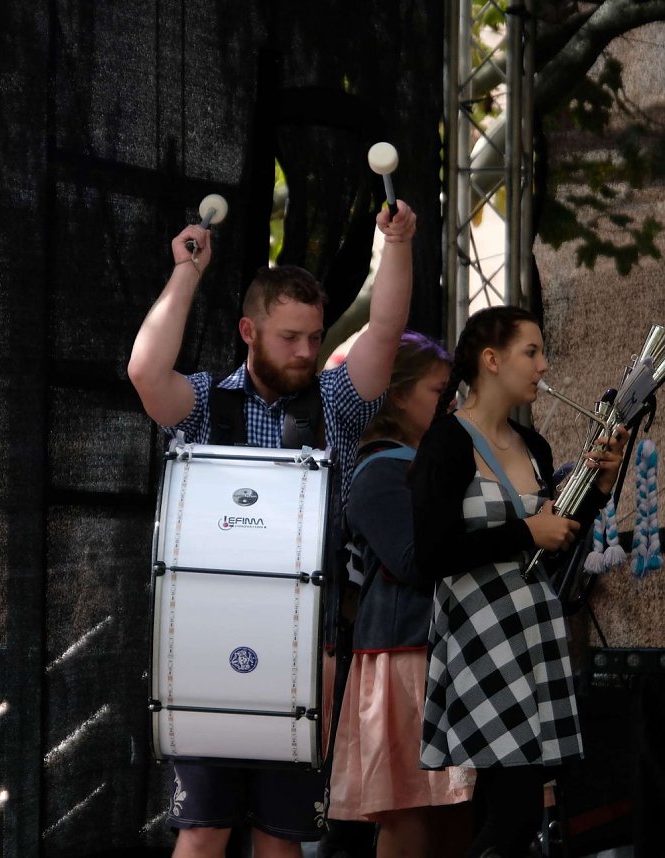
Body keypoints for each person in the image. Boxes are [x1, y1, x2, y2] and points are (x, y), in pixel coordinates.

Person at [128, 198, 416, 858]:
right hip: (204, 655)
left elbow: (383, 330)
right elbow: (145, 372)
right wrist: (185, 273)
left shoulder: (336, 405)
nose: (306, 351)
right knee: (201, 832)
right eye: (290, 337)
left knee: (280, 838)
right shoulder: (203, 403)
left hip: (305, 658)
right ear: (248, 332)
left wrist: (395, 245)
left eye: (314, 337)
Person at [409, 305, 628, 858]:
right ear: (491, 359)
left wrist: (597, 491)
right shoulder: (446, 443)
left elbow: (556, 548)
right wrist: (526, 531)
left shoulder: (536, 447)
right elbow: (430, 555)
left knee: (517, 810)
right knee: (513, 815)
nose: (543, 365)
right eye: (530, 352)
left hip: (532, 638)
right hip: (482, 645)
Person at [327, 331, 476, 858]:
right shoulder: (379, 472)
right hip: (404, 658)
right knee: (410, 811)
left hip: (438, 650)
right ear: (397, 394)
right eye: (439, 391)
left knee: (455, 808)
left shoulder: (422, 462)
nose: (450, 402)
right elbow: (414, 562)